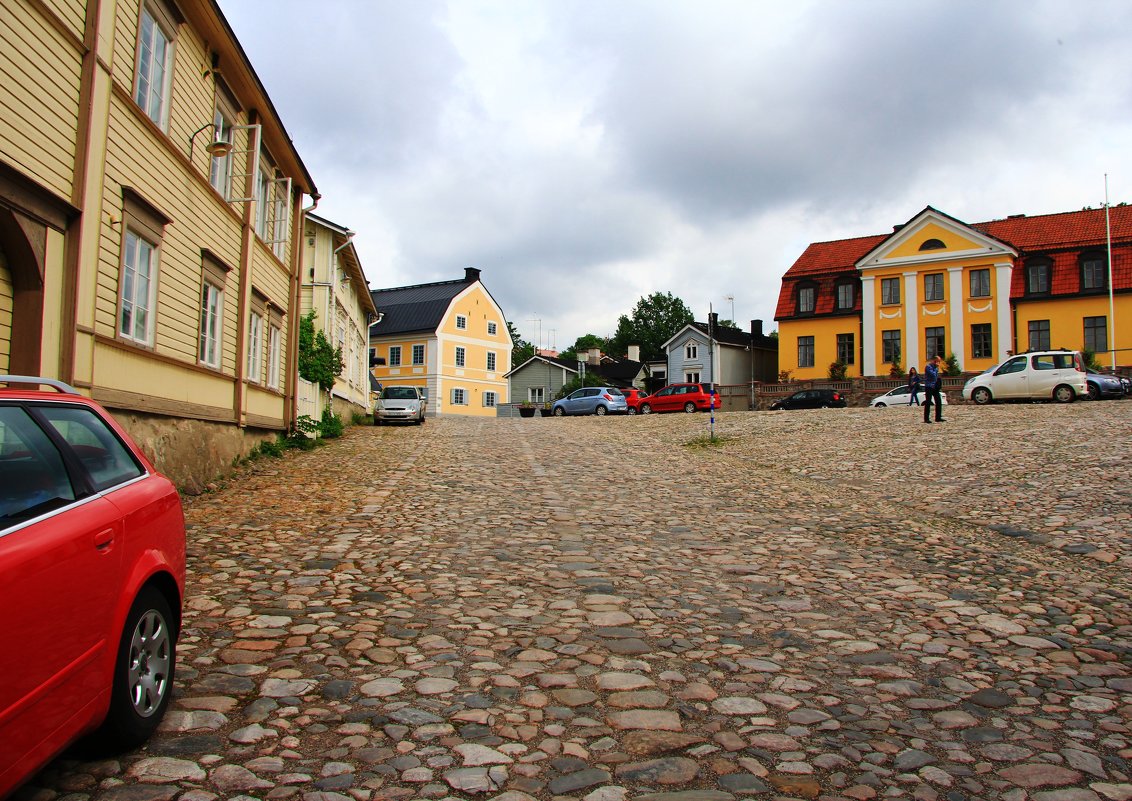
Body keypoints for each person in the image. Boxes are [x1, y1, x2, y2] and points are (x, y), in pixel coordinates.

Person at [923, 355, 945, 423]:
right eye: (938, 361)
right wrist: (936, 368)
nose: (939, 363)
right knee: (928, 402)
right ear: (934, 361)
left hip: (935, 387)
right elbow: (933, 375)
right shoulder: (928, 367)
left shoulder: (936, 368)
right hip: (929, 386)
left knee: (938, 401)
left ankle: (938, 417)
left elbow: (936, 377)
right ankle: (926, 418)